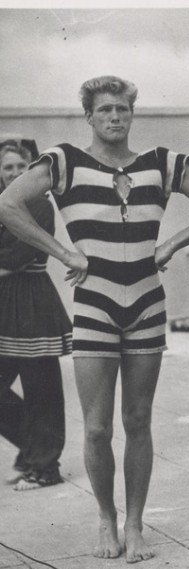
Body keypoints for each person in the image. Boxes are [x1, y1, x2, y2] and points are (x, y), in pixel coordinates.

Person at [0, 75, 189, 562]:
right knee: (98, 428)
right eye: (104, 110)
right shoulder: (63, 161)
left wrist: (170, 243)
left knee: (139, 420)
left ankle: (136, 524)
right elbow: (8, 203)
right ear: (89, 115)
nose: (114, 117)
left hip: (147, 304)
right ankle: (105, 519)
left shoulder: (162, 163)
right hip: (94, 307)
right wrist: (63, 252)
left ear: (131, 114)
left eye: (122, 109)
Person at [0, 139, 72, 490]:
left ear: (30, 170)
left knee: (41, 388)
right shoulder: (4, 206)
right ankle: (33, 449)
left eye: (20, 167)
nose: (14, 173)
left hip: (31, 301)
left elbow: (17, 258)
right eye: (7, 167)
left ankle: (45, 466)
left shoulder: (39, 206)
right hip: (3, 303)